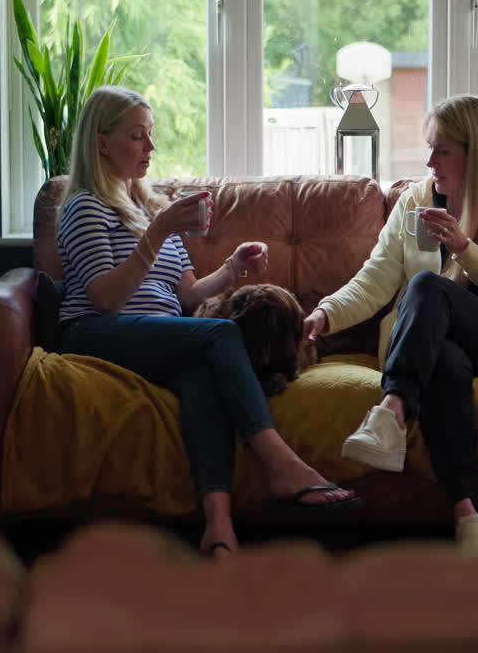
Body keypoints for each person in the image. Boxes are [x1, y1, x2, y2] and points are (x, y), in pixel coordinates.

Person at [55, 85, 361, 558]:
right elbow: (106, 299)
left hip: (155, 337)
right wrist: (157, 234)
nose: (150, 148)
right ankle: (280, 464)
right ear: (101, 142)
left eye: (150, 135)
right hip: (95, 333)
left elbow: (187, 295)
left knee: (201, 376)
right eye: (137, 136)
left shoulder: (147, 210)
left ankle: (218, 527)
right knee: (221, 332)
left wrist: (233, 268)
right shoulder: (85, 208)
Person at [302, 95, 478, 550]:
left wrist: (465, 249)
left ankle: (392, 409)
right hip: (433, 348)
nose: (429, 161)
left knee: (425, 286)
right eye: (429, 148)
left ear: (473, 153)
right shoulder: (415, 200)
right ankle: (467, 514)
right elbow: (375, 281)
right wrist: (325, 312)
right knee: (444, 362)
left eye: (442, 151)